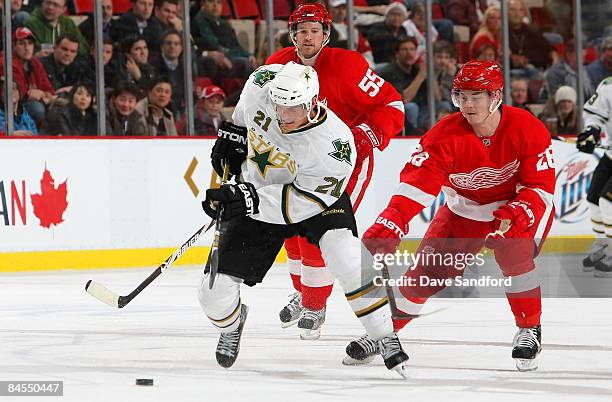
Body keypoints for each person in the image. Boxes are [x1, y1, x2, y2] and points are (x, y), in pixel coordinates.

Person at [198, 61, 409, 376]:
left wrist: (243, 200)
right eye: (279, 105)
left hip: (315, 201)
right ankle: (232, 324)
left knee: (347, 256)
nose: (284, 115)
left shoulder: (335, 145)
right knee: (212, 292)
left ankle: (383, 333)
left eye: (293, 107)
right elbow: (243, 115)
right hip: (259, 191)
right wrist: (232, 138)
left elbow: (300, 204)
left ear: (313, 102)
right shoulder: (260, 84)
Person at [343, 60, 555, 372]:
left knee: (516, 258)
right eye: (461, 97)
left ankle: (529, 329)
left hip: (513, 209)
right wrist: (393, 220)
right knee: (423, 275)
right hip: (463, 211)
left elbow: (540, 187)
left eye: (475, 96)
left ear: (495, 96)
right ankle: (383, 333)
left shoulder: (527, 127)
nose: (467, 105)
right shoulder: (443, 135)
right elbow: (418, 184)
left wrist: (518, 212)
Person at [265, 3, 404, 339]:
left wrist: (369, 134)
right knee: (291, 231)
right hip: (301, 160)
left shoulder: (348, 66)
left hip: (346, 162)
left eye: (314, 30)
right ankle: (304, 293)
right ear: (292, 35)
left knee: (321, 230)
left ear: (326, 34)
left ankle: (315, 303)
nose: (307, 36)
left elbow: (393, 104)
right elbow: (261, 111)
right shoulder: (275, 66)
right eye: (301, 31)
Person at [576, 75, 612, 277]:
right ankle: (603, 244)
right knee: (593, 199)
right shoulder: (608, 85)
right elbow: (595, 114)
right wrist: (591, 131)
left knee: (609, 202)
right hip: (610, 155)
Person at [0, 27, 56, 124]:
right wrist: (39, 94)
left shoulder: (36, 63)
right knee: (37, 108)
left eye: (30, 43)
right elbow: (18, 93)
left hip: (34, 101)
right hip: (11, 107)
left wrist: (43, 94)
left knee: (58, 105)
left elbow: (49, 90)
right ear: (13, 46)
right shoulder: (5, 62)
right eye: (22, 43)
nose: (27, 48)